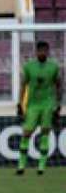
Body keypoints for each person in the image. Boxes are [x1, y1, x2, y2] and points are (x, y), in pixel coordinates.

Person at [16, 40, 62, 175]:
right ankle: (21, 165)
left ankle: (41, 167)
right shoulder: (29, 67)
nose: (42, 53)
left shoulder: (53, 67)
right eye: (40, 51)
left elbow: (59, 85)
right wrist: (20, 103)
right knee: (26, 133)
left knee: (45, 132)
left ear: (48, 52)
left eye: (45, 51)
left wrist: (58, 105)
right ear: (36, 52)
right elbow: (23, 85)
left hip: (48, 104)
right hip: (33, 105)